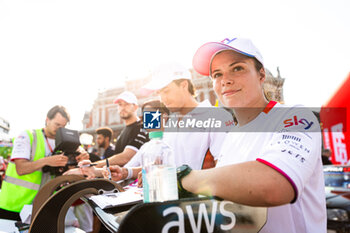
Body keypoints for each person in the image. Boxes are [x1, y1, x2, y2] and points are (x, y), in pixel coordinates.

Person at [175, 37, 326, 232]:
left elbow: (274, 186)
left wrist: (183, 178)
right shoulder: (231, 136)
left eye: (237, 68)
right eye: (217, 74)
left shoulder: (295, 116)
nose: (225, 80)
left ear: (261, 74)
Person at [100, 62, 233, 182]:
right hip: (169, 200)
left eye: (167, 91)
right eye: (159, 93)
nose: (163, 99)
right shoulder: (171, 123)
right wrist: (126, 172)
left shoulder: (217, 117)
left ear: (184, 85)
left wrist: (176, 179)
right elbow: (164, 166)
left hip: (200, 204)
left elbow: (225, 171)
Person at [0, 105, 89, 221]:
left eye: (63, 126)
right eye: (57, 125)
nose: (60, 129)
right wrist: (47, 161)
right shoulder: (28, 136)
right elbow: (20, 169)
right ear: (47, 120)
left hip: (41, 206)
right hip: (13, 206)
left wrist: (81, 156)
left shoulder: (67, 142)